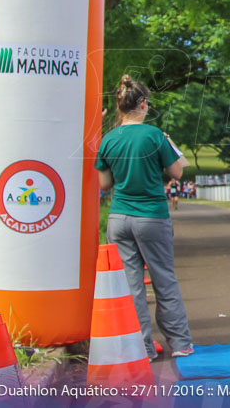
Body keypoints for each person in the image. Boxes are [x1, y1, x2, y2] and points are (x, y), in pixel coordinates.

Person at [95, 75, 194, 360]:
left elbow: (104, 185)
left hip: (119, 218)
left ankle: (142, 348)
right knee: (164, 278)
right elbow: (176, 173)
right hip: (151, 216)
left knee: (131, 285)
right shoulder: (154, 135)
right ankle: (180, 344)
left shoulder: (108, 139)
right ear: (143, 104)